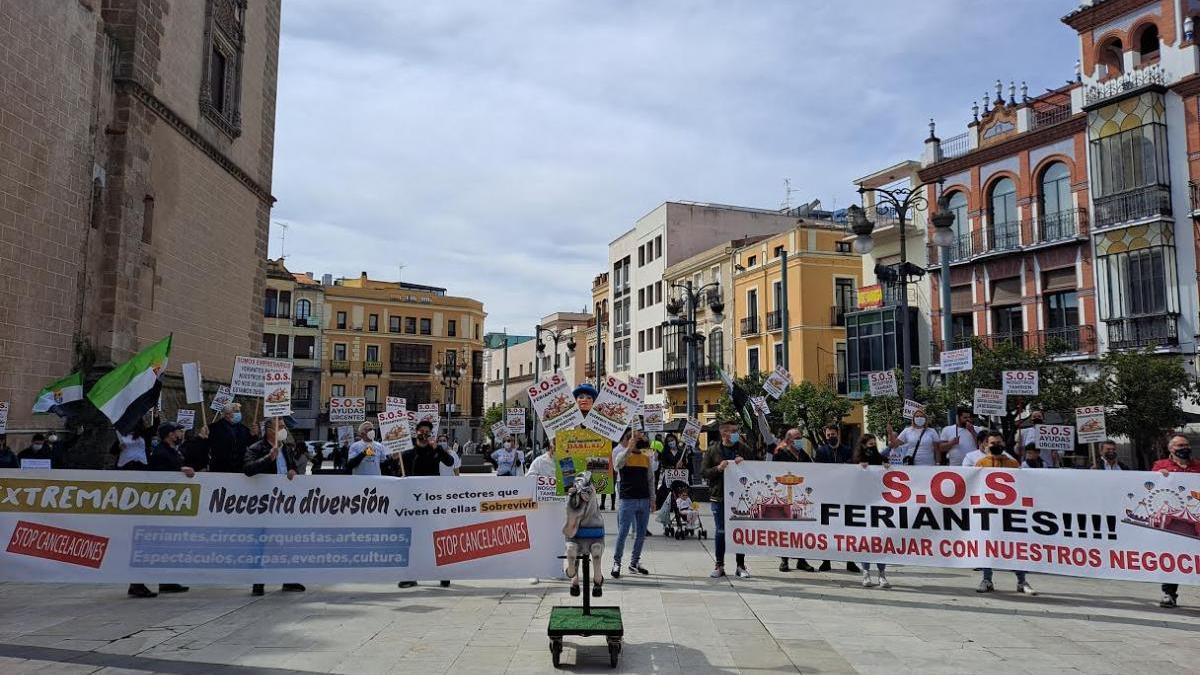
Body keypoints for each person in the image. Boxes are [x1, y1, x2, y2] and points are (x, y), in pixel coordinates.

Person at [128, 422, 197, 598]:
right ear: (169, 435)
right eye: (177, 431)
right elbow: (159, 474)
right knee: (150, 546)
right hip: (159, 506)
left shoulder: (173, 450)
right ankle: (136, 583)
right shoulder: (160, 452)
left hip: (169, 505)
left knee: (163, 545)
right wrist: (180, 470)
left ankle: (164, 580)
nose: (180, 433)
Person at [243, 419, 304, 597]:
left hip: (284, 502)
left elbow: (291, 467)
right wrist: (268, 458)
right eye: (281, 427)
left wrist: (293, 470)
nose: (284, 430)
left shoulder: (285, 447)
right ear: (269, 430)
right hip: (264, 502)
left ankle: (287, 579)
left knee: (285, 542)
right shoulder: (255, 448)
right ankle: (258, 582)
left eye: (284, 427)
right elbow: (248, 469)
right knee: (261, 544)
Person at [974, 431, 1035, 596]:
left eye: (999, 442)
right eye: (992, 443)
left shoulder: (1013, 464)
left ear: (1004, 444)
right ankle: (987, 580)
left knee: (1015, 545)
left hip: (1010, 512)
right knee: (988, 546)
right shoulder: (980, 464)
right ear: (986, 445)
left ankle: (1022, 581)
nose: (996, 445)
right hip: (988, 512)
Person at [396, 420, 455, 589]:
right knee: (414, 540)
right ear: (416, 433)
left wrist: (437, 448)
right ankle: (411, 575)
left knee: (436, 538)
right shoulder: (407, 453)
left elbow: (450, 462)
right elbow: (398, 474)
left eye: (427, 432)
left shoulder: (435, 450)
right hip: (413, 503)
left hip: (432, 502)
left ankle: (443, 574)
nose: (423, 434)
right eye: (421, 431)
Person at [702, 418, 759, 579]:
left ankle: (740, 565)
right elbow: (704, 472)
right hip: (719, 497)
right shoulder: (712, 451)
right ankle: (719, 565)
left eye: (736, 431)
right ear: (723, 432)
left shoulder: (744, 449)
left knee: (739, 532)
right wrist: (718, 468)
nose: (736, 434)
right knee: (721, 531)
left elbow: (756, 469)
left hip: (741, 498)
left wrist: (745, 463)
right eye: (733, 431)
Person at [1152, 433, 1200, 608]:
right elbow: (1151, 488)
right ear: (1171, 449)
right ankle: (1169, 594)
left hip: (1195, 519)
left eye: (1186, 445)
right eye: (1180, 446)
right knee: (1173, 556)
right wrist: (1158, 477)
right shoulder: (1161, 466)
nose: (1185, 448)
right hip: (1173, 521)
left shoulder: (1198, 466)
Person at [812, 425, 861, 573]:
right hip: (827, 495)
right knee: (827, 529)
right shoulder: (821, 451)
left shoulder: (847, 450)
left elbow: (853, 467)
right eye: (828, 435)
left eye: (833, 434)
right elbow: (818, 472)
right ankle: (826, 561)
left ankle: (850, 561)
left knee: (847, 528)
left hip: (845, 495)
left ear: (837, 434)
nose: (830, 437)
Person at [770, 428, 816, 573]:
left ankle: (801, 560)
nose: (799, 440)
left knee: (801, 529)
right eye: (797, 437)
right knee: (785, 529)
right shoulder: (780, 453)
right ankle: (784, 560)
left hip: (801, 495)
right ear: (789, 439)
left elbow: (813, 469)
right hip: (784, 495)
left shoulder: (802, 454)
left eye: (800, 437)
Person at [611, 437, 655, 578]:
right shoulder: (622, 454)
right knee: (623, 533)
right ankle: (616, 563)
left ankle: (634, 562)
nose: (639, 442)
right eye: (635, 439)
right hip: (627, 499)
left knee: (641, 534)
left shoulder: (646, 457)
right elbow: (617, 465)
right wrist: (628, 449)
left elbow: (650, 479)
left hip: (644, 499)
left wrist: (653, 499)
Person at [854, 434, 891, 588]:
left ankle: (882, 574)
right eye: (869, 445)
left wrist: (886, 467)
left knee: (881, 540)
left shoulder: (880, 459)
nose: (872, 447)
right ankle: (866, 573)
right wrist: (858, 469)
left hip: (880, 503)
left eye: (874, 444)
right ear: (863, 445)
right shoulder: (857, 461)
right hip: (864, 503)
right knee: (866, 541)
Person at [206, 403, 252, 473]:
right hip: (220, 469)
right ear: (227, 414)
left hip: (239, 469)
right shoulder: (213, 428)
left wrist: (254, 436)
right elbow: (205, 447)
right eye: (236, 411)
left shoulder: (244, 429)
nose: (239, 414)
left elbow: (251, 445)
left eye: (239, 411)